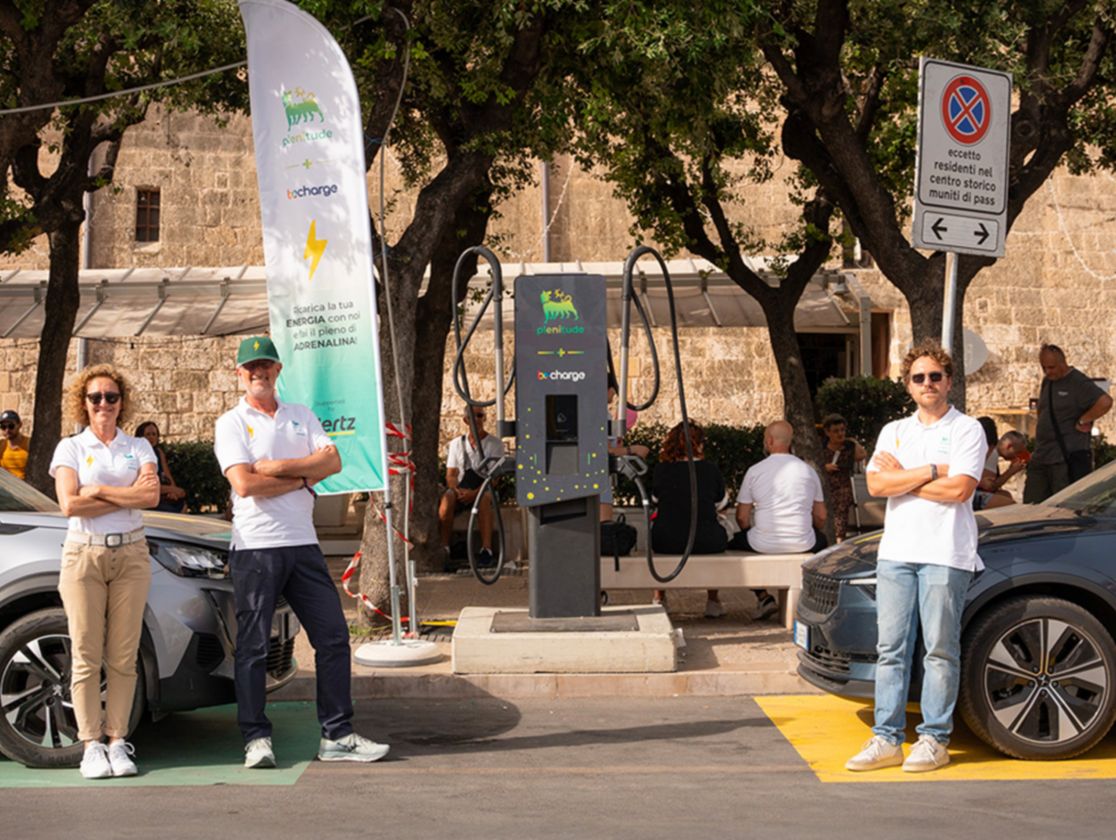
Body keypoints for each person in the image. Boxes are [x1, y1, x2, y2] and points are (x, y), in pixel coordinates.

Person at [214, 336, 388, 768]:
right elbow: (244, 484)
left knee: (332, 637)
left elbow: (332, 463)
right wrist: (301, 478)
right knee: (253, 647)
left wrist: (276, 467)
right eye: (251, 367)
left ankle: (337, 734)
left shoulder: (300, 416)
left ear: (278, 370)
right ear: (240, 374)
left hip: (303, 545)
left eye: (266, 365)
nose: (260, 373)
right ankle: (256, 738)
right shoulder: (231, 423)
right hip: (256, 547)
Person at [845, 340, 986, 774]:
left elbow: (961, 490)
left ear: (948, 382)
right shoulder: (895, 432)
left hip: (946, 553)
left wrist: (900, 477)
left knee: (940, 650)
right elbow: (874, 487)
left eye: (935, 376)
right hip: (897, 554)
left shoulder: (967, 430)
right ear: (908, 384)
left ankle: (934, 738)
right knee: (891, 649)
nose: (928, 384)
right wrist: (930, 471)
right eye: (918, 377)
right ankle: (887, 739)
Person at [49, 365, 160, 779]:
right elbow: (69, 505)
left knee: (123, 656)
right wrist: (123, 497)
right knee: (85, 654)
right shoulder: (70, 448)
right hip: (84, 556)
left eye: (111, 397)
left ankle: (117, 741)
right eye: (96, 397)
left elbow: (151, 494)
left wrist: (96, 490)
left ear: (121, 403)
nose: (104, 404)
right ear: (84, 402)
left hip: (131, 555)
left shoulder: (138, 447)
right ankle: (90, 744)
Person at [730, 420, 827, 619]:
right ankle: (813, 599)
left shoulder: (755, 471)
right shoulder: (808, 471)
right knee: (823, 541)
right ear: (790, 442)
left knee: (733, 544)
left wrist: (751, 532)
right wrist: (811, 530)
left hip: (762, 542)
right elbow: (821, 516)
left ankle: (763, 596)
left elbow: (741, 517)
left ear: (769, 441)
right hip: (803, 541)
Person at [649, 422, 730, 618]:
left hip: (666, 541)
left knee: (662, 526)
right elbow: (721, 504)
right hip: (707, 541)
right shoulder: (710, 470)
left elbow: (653, 502)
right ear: (699, 445)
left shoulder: (661, 470)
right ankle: (712, 600)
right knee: (717, 526)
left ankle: (659, 597)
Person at [1023, 344, 1112, 504]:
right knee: (1031, 504)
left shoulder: (1077, 382)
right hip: (1042, 455)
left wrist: (1084, 419)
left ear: (1062, 363)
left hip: (1064, 458)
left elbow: (1105, 402)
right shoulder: (1048, 381)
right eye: (1044, 368)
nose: (1048, 372)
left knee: (1062, 509)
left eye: (1051, 367)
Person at [438, 405, 506, 569]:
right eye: (473, 416)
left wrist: (475, 494)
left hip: (484, 488)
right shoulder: (456, 444)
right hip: (462, 488)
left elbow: (495, 478)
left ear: (484, 418)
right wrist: (456, 491)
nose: (477, 420)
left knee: (484, 499)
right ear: (465, 420)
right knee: (447, 498)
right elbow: (451, 474)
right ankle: (444, 547)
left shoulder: (495, 444)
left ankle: (486, 550)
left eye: (480, 416)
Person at [816, 414, 867, 541]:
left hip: (842, 488)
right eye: (836, 431)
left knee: (840, 518)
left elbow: (862, 455)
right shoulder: (820, 447)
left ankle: (839, 540)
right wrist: (824, 467)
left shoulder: (849, 446)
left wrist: (853, 441)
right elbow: (813, 464)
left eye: (842, 430)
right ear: (827, 432)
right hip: (825, 488)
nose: (840, 434)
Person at [135, 421, 187, 513]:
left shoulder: (159, 452)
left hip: (162, 490)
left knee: (181, 499)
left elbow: (167, 475)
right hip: (149, 492)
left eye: (154, 434)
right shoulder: (138, 454)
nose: (151, 437)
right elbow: (146, 485)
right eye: (148, 434)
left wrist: (173, 491)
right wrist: (171, 489)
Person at [972, 417, 1023, 510]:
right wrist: (1011, 471)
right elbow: (990, 487)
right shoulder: (992, 453)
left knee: (1006, 496)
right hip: (967, 495)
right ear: (1009, 446)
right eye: (1017, 452)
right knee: (1010, 505)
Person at [0, 409, 31, 480]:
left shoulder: (29, 444)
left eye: (11, 426)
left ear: (19, 425)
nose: (7, 430)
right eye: (3, 427)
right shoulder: (1, 445)